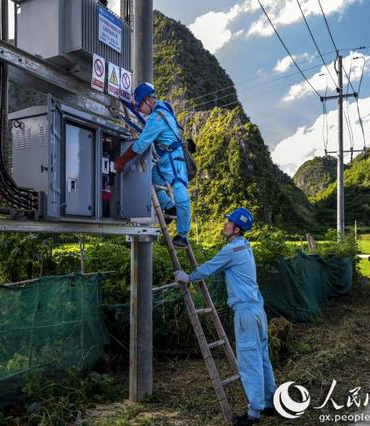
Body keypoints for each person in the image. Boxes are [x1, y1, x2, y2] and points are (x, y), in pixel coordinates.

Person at [174, 208, 277, 425]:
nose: (225, 225)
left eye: (228, 223)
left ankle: (254, 413)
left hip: (246, 313)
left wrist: (188, 277)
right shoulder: (245, 247)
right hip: (258, 309)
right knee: (261, 356)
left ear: (236, 229)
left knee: (249, 361)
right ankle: (269, 402)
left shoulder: (231, 250)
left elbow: (209, 267)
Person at [114, 82, 191, 248]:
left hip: (174, 161)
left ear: (148, 100)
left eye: (141, 104)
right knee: (151, 179)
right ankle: (169, 207)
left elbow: (141, 145)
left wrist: (122, 160)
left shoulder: (156, 119)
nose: (140, 109)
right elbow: (143, 116)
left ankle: (183, 236)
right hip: (164, 160)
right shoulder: (164, 106)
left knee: (181, 195)